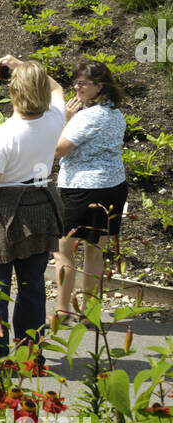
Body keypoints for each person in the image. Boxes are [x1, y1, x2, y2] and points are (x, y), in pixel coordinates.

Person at [0, 56, 65, 354]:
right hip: (41, 208)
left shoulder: (3, 135)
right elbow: (58, 89)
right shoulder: (54, 118)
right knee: (32, 285)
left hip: (2, 214)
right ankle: (30, 353)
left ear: (13, 93)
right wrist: (23, 65)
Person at [53, 60, 127, 320]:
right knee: (95, 250)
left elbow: (58, 149)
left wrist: (65, 119)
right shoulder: (116, 113)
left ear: (100, 86)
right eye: (76, 82)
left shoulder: (87, 116)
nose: (76, 87)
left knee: (64, 250)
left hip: (84, 188)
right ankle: (89, 313)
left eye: (83, 83)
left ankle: (62, 310)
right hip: (113, 187)